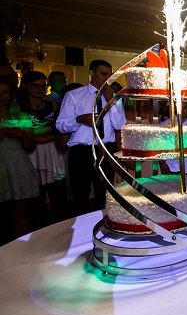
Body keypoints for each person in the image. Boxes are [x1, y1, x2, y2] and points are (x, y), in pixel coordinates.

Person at [56, 60, 126, 215]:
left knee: (105, 193)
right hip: (81, 150)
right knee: (80, 193)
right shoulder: (74, 95)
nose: (107, 78)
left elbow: (119, 125)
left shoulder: (114, 97)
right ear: (92, 73)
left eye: (110, 75)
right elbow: (60, 125)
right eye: (104, 74)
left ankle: (105, 223)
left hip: (106, 149)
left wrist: (111, 101)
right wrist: (79, 120)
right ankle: (81, 226)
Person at [19, 71, 67, 223]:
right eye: (35, 86)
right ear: (25, 86)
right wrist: (43, 132)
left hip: (53, 149)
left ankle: (59, 224)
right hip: (31, 151)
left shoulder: (53, 105)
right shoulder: (20, 107)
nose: (40, 89)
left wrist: (37, 133)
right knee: (36, 192)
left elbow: (59, 130)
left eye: (43, 85)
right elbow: (24, 134)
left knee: (57, 191)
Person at [0, 76, 39, 244]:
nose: (2, 96)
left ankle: (19, 246)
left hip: (16, 165)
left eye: (5, 92)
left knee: (19, 211)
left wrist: (21, 134)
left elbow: (31, 147)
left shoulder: (22, 117)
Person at [160, 100, 187, 177]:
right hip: (170, 166)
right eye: (180, 107)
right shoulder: (165, 126)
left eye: (184, 107)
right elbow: (159, 146)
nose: (182, 110)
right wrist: (162, 163)